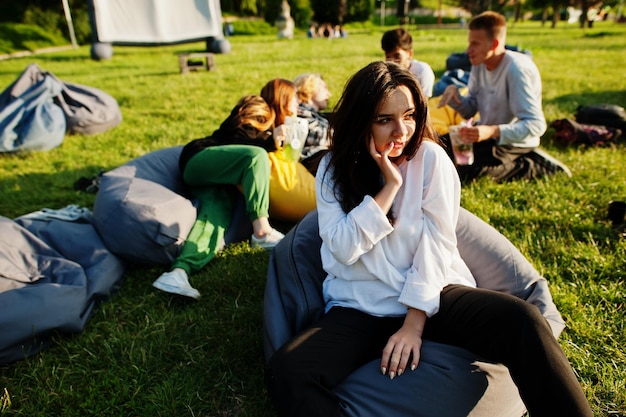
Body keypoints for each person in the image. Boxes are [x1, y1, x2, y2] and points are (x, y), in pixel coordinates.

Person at [266, 61, 593, 417]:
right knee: (288, 371)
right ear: (361, 121)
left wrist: (413, 324)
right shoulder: (332, 169)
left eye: (408, 115)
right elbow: (342, 249)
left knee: (524, 320)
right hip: (359, 304)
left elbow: (437, 244)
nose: (401, 130)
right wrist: (389, 188)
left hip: (432, 295)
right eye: (384, 119)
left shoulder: (432, 159)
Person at [152, 95, 284, 299]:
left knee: (214, 219)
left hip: (215, 182)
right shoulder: (235, 127)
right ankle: (262, 231)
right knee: (256, 156)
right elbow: (241, 143)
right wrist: (270, 140)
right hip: (198, 159)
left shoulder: (255, 135)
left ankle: (178, 273)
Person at [438, 11, 571, 183]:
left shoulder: (516, 70)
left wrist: (492, 131)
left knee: (467, 173)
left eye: (475, 44)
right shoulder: (480, 64)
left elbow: (536, 125)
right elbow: (471, 108)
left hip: (514, 142)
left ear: (494, 44)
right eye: (469, 43)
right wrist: (454, 98)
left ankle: (534, 165)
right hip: (487, 135)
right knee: (438, 147)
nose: (468, 50)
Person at [293, 73, 332, 173]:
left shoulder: (314, 116)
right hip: (313, 166)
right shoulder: (299, 113)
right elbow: (317, 135)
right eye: (324, 88)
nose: (329, 94)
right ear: (310, 87)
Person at [381, 28, 436, 98]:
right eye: (388, 57)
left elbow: (424, 103)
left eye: (397, 56)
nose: (392, 61)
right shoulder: (385, 75)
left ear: (410, 54)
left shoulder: (422, 71)